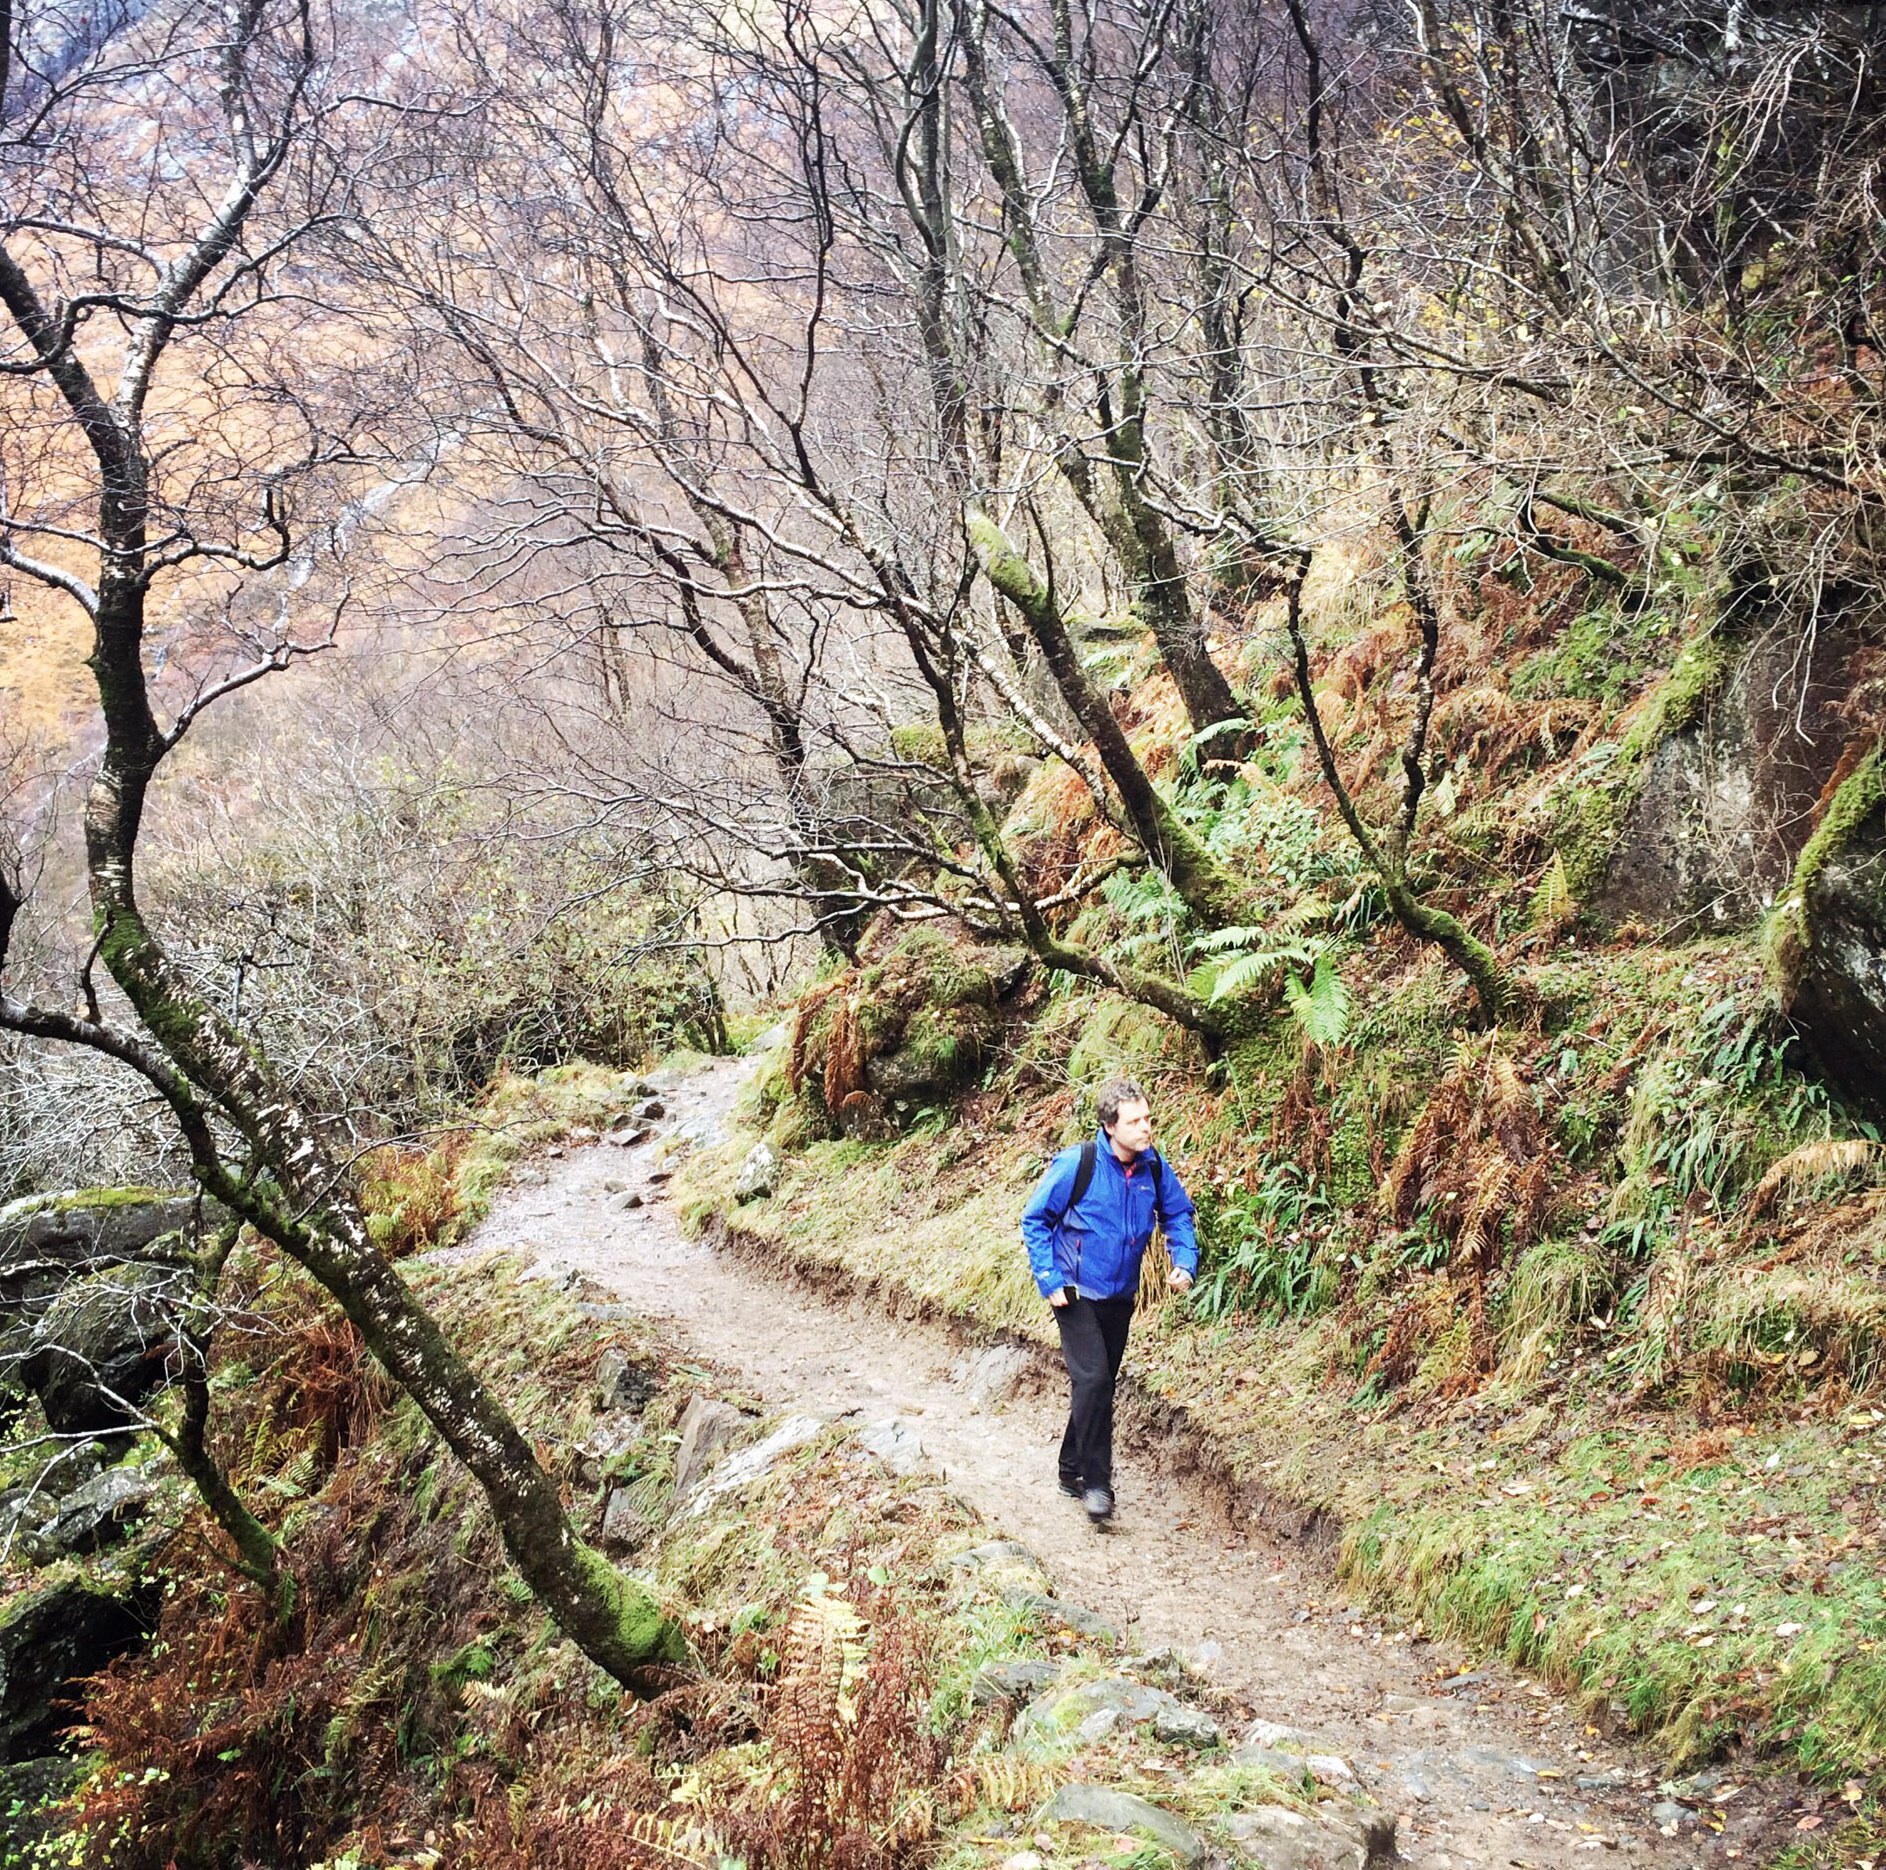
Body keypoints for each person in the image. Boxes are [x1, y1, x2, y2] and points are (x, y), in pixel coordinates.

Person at [1020, 1076, 1198, 1525]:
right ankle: (1096, 1483)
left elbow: (1178, 1213)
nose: (1146, 1128)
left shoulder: (1153, 1167)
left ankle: (1069, 1468)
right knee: (1095, 1380)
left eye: (1148, 1119)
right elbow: (1035, 1219)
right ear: (1110, 1126)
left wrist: (1184, 1259)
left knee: (1097, 1385)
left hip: (1120, 1295)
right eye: (1135, 1121)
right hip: (1075, 1293)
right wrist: (1049, 1278)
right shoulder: (1077, 1163)